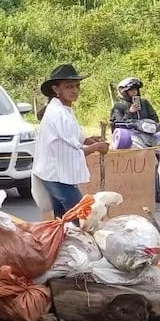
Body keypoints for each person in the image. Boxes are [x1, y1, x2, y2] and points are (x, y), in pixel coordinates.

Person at [33, 65, 109, 217]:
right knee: (83, 216)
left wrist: (88, 140)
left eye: (77, 86)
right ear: (56, 89)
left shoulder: (64, 109)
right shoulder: (58, 113)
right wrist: (95, 147)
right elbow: (73, 151)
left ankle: (61, 239)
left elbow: (74, 136)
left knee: (63, 221)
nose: (75, 90)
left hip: (56, 174)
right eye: (69, 87)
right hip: (56, 175)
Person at [110, 77, 160, 203]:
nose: (134, 92)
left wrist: (159, 125)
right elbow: (117, 122)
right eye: (131, 90)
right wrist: (129, 113)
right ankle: (128, 189)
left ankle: (157, 191)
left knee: (154, 161)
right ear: (124, 92)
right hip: (130, 136)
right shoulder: (119, 106)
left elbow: (154, 117)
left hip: (147, 135)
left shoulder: (145, 103)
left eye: (135, 90)